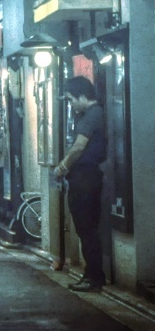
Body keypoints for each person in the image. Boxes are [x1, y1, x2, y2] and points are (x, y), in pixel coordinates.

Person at [54, 75, 107, 292]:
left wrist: (62, 168)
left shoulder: (92, 115)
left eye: (70, 99)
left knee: (86, 229)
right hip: (87, 177)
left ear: (83, 96)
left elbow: (78, 147)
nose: (70, 104)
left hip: (85, 178)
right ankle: (94, 275)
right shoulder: (93, 114)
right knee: (87, 229)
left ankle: (93, 278)